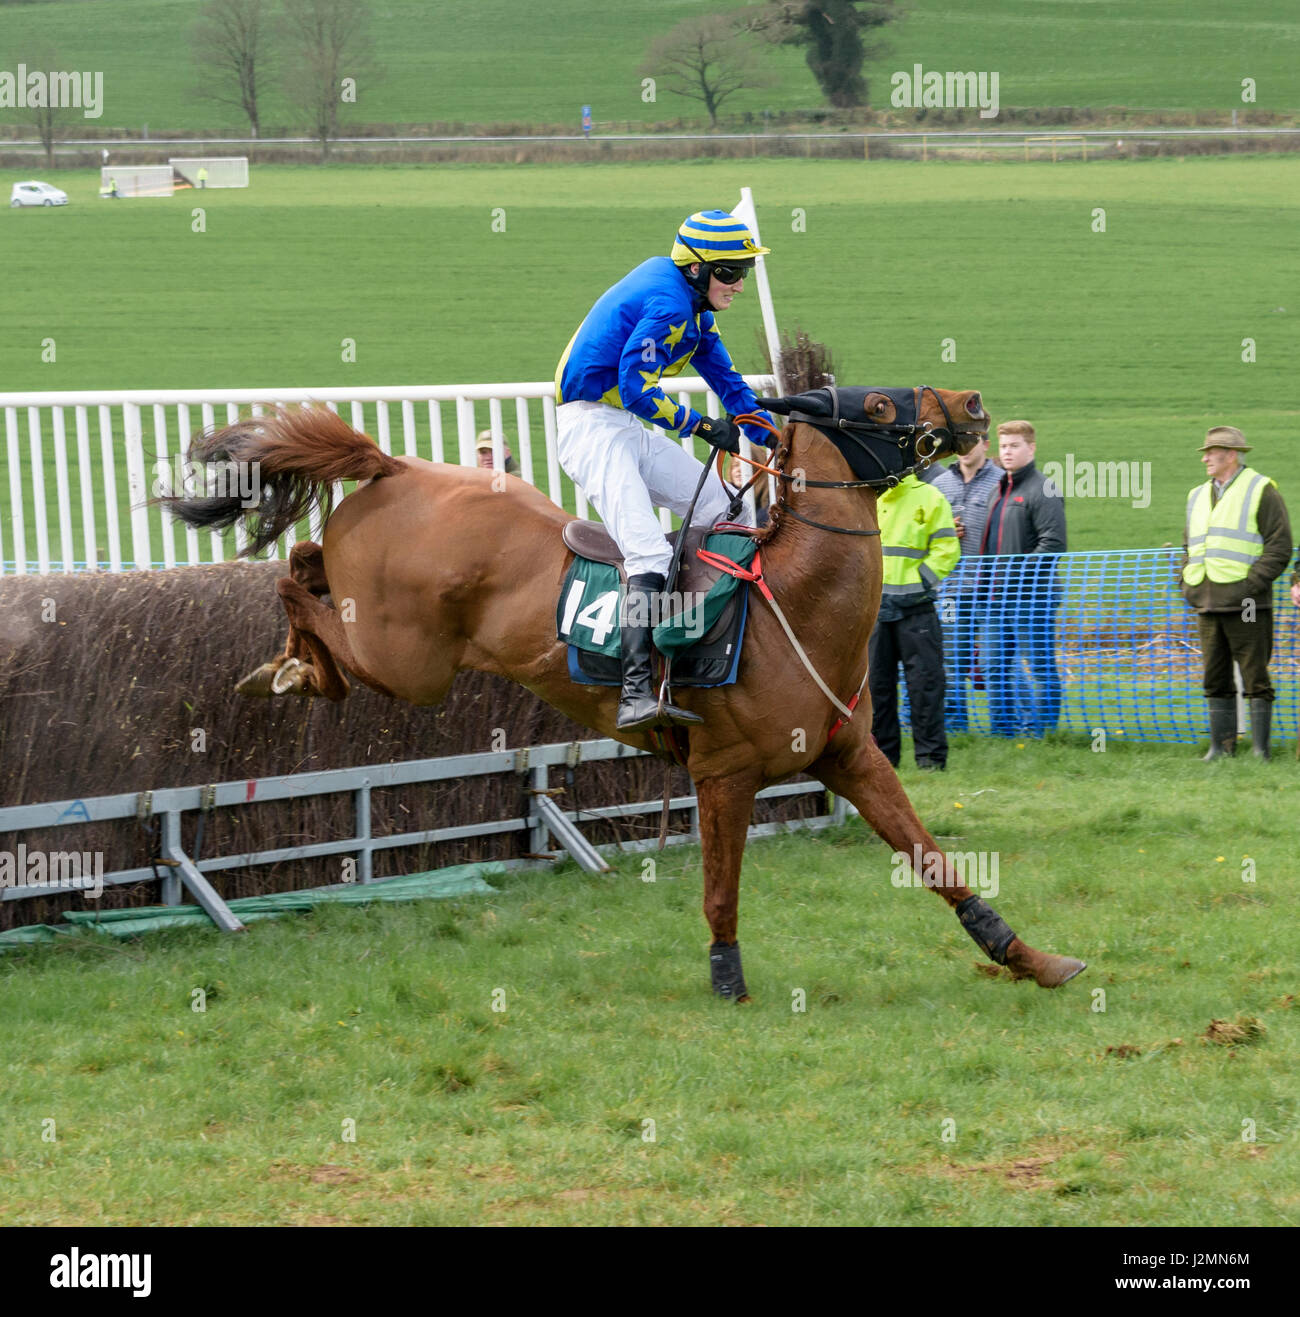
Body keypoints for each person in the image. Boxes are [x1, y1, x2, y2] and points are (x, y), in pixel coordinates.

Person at [554, 208, 776, 731]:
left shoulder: (694, 309)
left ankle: (704, 635)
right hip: (591, 427)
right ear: (697, 268)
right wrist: (700, 426)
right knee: (647, 548)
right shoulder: (671, 305)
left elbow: (727, 380)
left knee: (728, 508)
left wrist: (774, 435)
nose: (740, 283)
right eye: (730, 270)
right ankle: (634, 691)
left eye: (745, 270)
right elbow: (635, 386)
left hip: (623, 427)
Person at [1181, 426, 1292, 760]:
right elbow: (1190, 545)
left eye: (1210, 452)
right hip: (1206, 600)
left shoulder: (1262, 490)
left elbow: (1280, 545)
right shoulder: (1196, 495)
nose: (1204, 458)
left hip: (1246, 602)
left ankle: (1261, 751)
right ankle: (1220, 748)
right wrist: (1187, 583)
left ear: (1230, 455)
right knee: (1214, 677)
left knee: (1254, 674)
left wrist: (1251, 585)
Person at [978, 420, 1067, 736]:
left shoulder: (1044, 488)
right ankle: (1003, 732)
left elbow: (1054, 543)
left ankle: (1043, 733)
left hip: (1033, 598)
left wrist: (1014, 576)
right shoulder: (997, 492)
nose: (1008, 452)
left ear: (1032, 448)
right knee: (993, 666)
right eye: (1003, 446)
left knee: (1040, 667)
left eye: (1015, 445)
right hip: (994, 599)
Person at [868, 473, 961, 769]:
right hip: (875, 611)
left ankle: (931, 760)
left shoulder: (930, 497)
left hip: (917, 609)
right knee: (877, 688)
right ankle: (883, 760)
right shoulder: (868, 497)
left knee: (925, 686)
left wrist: (920, 582)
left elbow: (947, 550)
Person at [931, 433, 1002, 730]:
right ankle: (956, 725)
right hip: (951, 590)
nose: (964, 450)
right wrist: (945, 532)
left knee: (993, 661)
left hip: (991, 590)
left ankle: (1010, 725)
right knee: (951, 658)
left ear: (986, 445)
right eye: (958, 444)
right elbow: (927, 533)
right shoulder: (939, 485)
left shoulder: (1002, 481)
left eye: (971, 442)